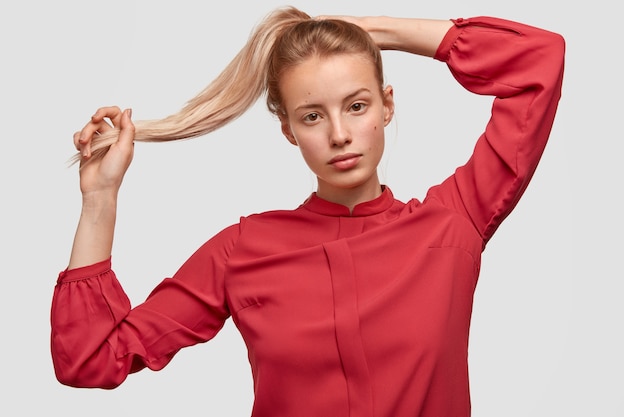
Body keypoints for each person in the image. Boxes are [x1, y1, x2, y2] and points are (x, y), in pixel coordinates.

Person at [50, 6, 565, 417]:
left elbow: (539, 59)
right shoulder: (242, 251)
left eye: (357, 105)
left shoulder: (453, 223)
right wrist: (100, 199)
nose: (339, 134)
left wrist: (370, 31)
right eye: (313, 115)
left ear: (388, 106)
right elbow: (91, 360)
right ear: (288, 130)